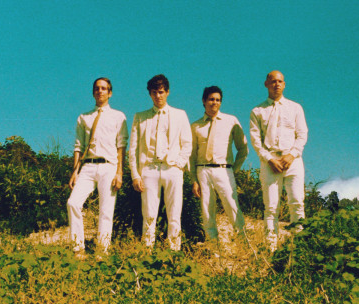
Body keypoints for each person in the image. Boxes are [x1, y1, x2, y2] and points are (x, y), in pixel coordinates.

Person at [128, 74, 192, 250]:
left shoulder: (180, 115)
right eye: (154, 92)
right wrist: (135, 175)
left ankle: (173, 252)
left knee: (174, 213)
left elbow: (187, 143)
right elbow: (133, 149)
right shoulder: (140, 117)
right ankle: (147, 252)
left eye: (161, 92)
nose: (158, 96)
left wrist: (179, 164)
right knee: (149, 214)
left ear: (167, 92)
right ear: (150, 94)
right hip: (149, 169)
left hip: (172, 169)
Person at [67, 77, 128, 255]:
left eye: (103, 88)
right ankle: (78, 250)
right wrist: (75, 171)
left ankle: (102, 252)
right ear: (93, 92)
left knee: (106, 210)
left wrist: (120, 172)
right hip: (88, 166)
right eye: (97, 88)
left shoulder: (119, 116)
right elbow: (78, 146)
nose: (100, 91)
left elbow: (121, 146)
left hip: (109, 166)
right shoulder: (84, 117)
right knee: (73, 203)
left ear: (110, 93)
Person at [249, 70, 308, 251]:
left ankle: (298, 247)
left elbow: (302, 134)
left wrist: (292, 155)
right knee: (271, 206)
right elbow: (256, 140)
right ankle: (271, 249)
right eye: (273, 81)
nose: (276, 84)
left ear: (284, 84)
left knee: (297, 202)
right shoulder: (257, 111)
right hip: (270, 161)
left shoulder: (295, 108)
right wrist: (269, 159)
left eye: (280, 81)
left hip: (293, 160)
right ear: (266, 84)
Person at [190, 86, 248, 243]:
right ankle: (214, 248)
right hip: (203, 170)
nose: (214, 102)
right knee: (207, 210)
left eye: (217, 100)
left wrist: (234, 170)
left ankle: (243, 244)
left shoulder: (231, 121)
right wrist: (194, 179)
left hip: (224, 169)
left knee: (232, 206)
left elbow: (243, 148)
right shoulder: (195, 126)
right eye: (211, 99)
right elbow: (192, 156)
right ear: (204, 101)